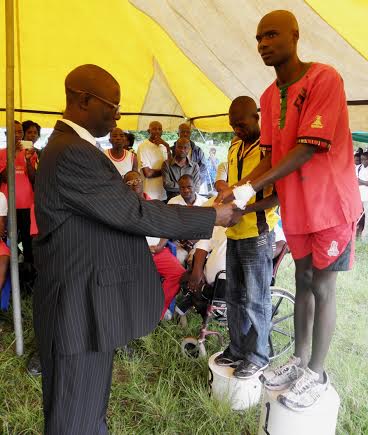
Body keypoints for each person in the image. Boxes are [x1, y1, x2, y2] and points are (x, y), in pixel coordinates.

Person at [33, 64, 240, 435]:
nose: (118, 115)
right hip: (77, 303)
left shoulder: (71, 147)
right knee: (74, 408)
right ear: (83, 100)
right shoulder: (71, 152)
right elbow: (132, 212)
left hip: (83, 297)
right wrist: (210, 217)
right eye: (112, 105)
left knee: (86, 401)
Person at [217, 10, 362, 410]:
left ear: (295, 36)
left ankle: (317, 371)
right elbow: (270, 156)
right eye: (259, 37)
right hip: (297, 210)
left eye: (272, 35)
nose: (263, 43)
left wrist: (250, 187)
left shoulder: (324, 79)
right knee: (301, 281)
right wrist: (238, 192)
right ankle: (299, 361)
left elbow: (306, 147)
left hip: (331, 205)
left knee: (322, 286)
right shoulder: (266, 97)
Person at [214, 96, 279, 380]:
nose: (236, 130)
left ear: (256, 117)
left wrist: (246, 209)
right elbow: (230, 181)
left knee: (256, 299)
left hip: (258, 233)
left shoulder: (271, 149)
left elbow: (278, 194)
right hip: (235, 232)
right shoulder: (234, 144)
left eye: (240, 124)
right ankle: (238, 350)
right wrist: (225, 193)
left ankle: (259, 356)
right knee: (234, 297)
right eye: (232, 126)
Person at [123, 170, 185, 318]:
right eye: (129, 183)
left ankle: (157, 312)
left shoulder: (155, 205)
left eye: (137, 181)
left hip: (157, 251)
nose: (134, 185)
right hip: (132, 253)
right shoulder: (120, 207)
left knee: (178, 273)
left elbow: (167, 228)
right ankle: (130, 316)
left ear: (142, 182)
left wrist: (161, 245)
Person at [0, 121, 37, 270]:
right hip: (8, 206)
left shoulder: (30, 152)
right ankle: (10, 275)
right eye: (14, 132)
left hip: (27, 204)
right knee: (9, 241)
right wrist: (12, 155)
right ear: (6, 135)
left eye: (20, 132)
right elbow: (4, 178)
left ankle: (27, 279)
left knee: (28, 242)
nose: (17, 135)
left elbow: (34, 178)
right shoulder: (2, 153)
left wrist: (28, 161)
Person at [168, 175, 209, 265]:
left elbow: (209, 228)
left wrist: (193, 241)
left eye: (189, 187)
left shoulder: (206, 203)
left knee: (196, 261)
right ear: (179, 188)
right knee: (178, 259)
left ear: (195, 186)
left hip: (200, 242)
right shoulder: (172, 202)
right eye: (182, 188)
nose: (186, 190)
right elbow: (169, 226)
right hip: (179, 243)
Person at [137, 121, 172, 200]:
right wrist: (165, 171)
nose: (157, 131)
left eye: (159, 129)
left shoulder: (164, 146)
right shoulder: (143, 147)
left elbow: (171, 165)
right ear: (148, 131)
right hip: (150, 193)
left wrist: (167, 146)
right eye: (154, 129)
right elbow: (148, 173)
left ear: (162, 132)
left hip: (164, 193)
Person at [358, 152, 368, 242]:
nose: (363, 161)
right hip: (358, 196)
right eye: (362, 159)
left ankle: (364, 238)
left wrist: (360, 181)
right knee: (357, 216)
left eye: (365, 159)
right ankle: (356, 233)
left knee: (367, 218)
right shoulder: (359, 167)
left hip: (367, 198)